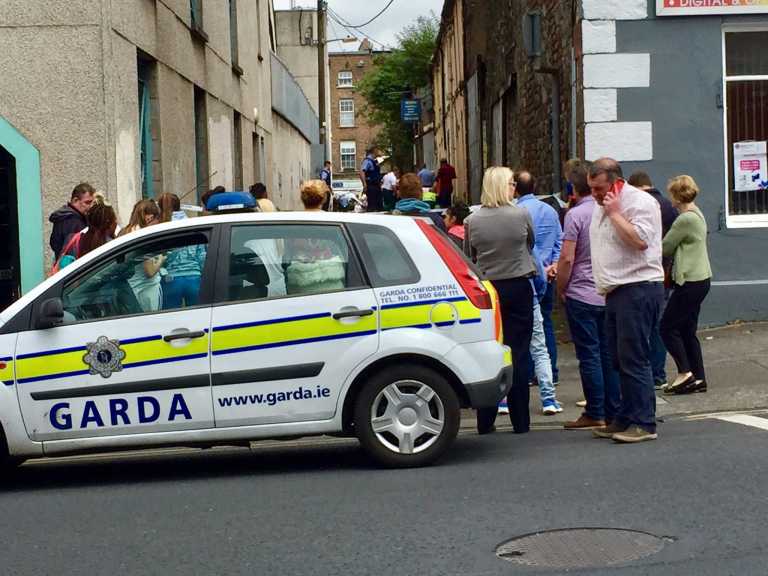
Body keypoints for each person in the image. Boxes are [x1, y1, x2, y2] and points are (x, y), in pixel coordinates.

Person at [588, 158, 664, 444]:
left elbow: (640, 240)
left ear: (616, 182)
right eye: (591, 187)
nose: (594, 193)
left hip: (638, 287)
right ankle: (624, 417)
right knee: (618, 359)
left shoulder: (638, 202)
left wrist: (616, 213)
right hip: (617, 290)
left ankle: (644, 423)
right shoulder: (603, 204)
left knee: (634, 358)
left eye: (599, 187)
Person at [464, 167, 537, 435]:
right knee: (519, 352)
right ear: (503, 186)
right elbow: (531, 243)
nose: (514, 187)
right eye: (511, 183)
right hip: (518, 284)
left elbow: (469, 256)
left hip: (489, 289)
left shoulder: (472, 220)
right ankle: (521, 421)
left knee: (489, 350)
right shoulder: (521, 214)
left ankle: (486, 420)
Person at [557, 162, 620, 429]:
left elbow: (567, 258)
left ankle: (595, 410)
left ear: (573, 188)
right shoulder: (608, 209)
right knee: (608, 354)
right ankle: (613, 410)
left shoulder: (575, 216)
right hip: (607, 289)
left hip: (581, 293)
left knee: (589, 355)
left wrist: (561, 286)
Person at [514, 171, 563, 414]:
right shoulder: (551, 211)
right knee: (545, 329)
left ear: (515, 189)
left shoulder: (517, 213)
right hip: (547, 276)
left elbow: (526, 249)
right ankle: (550, 376)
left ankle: (528, 375)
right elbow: (559, 241)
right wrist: (553, 265)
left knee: (523, 335)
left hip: (526, 277)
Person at [659, 175, 712, 395]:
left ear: (676, 196)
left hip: (690, 281)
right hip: (700, 279)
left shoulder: (685, 219)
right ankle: (698, 378)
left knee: (666, 327)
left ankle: (685, 373)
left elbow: (665, 247)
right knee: (687, 330)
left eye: (671, 194)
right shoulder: (696, 212)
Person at [628, 170, 679, 389]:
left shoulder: (643, 205)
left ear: (637, 187)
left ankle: (652, 374)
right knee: (658, 325)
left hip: (646, 272)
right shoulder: (668, 205)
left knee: (645, 327)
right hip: (666, 272)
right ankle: (658, 374)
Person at [286, 180, 345, 294]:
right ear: (324, 198)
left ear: (302, 198)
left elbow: (287, 254)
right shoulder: (332, 221)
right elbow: (342, 251)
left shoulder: (292, 222)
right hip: (331, 280)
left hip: (300, 281)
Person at [158, 193, 207, 309]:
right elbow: (202, 256)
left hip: (171, 279)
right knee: (198, 317)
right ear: (179, 205)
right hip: (194, 278)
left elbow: (160, 257)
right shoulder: (193, 225)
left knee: (171, 320)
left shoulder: (162, 226)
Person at [49, 182, 95, 260]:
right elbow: (73, 251)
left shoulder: (66, 217)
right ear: (75, 200)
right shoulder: (71, 220)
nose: (90, 206)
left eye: (92, 203)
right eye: (87, 202)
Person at [360, 147, 383, 212]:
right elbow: (362, 172)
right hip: (371, 186)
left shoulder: (374, 161)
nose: (380, 152)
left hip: (376, 186)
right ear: (374, 151)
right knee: (372, 206)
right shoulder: (367, 161)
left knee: (379, 205)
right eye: (379, 150)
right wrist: (364, 184)